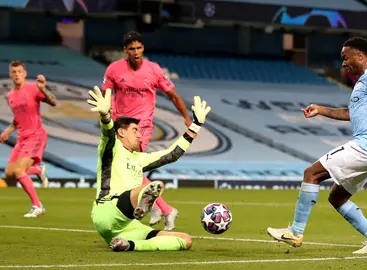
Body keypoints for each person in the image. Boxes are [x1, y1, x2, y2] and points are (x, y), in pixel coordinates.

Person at [266, 37, 367, 254]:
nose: (343, 63)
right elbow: (351, 114)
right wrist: (321, 109)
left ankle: (295, 231)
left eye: (345, 57)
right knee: (337, 197)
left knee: (311, 173)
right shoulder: (361, 84)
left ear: (360, 56)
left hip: (364, 148)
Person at [87, 86, 211, 252]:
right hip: (107, 210)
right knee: (155, 186)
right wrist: (105, 116)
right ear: (121, 132)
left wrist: (196, 125)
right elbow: (108, 133)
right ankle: (143, 203)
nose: (140, 135)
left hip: (127, 227)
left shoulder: (139, 159)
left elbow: (172, 154)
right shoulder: (112, 148)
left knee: (185, 240)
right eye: (135, 130)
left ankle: (131, 245)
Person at [102, 31, 193, 230]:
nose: (136, 52)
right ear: (125, 50)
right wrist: (106, 113)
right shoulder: (114, 70)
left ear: (143, 48)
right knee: (130, 167)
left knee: (132, 166)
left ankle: (162, 208)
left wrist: (186, 117)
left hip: (141, 126)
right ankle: (161, 207)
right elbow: (105, 94)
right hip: (120, 127)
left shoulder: (154, 70)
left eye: (139, 48)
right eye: (131, 48)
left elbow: (174, 96)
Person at [0, 60, 57, 217]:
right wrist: (8, 130)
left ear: (25, 74)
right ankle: (38, 171)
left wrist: (43, 89)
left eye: (20, 71)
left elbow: (53, 102)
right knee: (9, 173)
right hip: (21, 138)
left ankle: (38, 206)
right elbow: (18, 118)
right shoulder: (10, 95)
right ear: (10, 75)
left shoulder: (34, 88)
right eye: (14, 72)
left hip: (36, 135)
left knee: (19, 170)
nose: (17, 74)